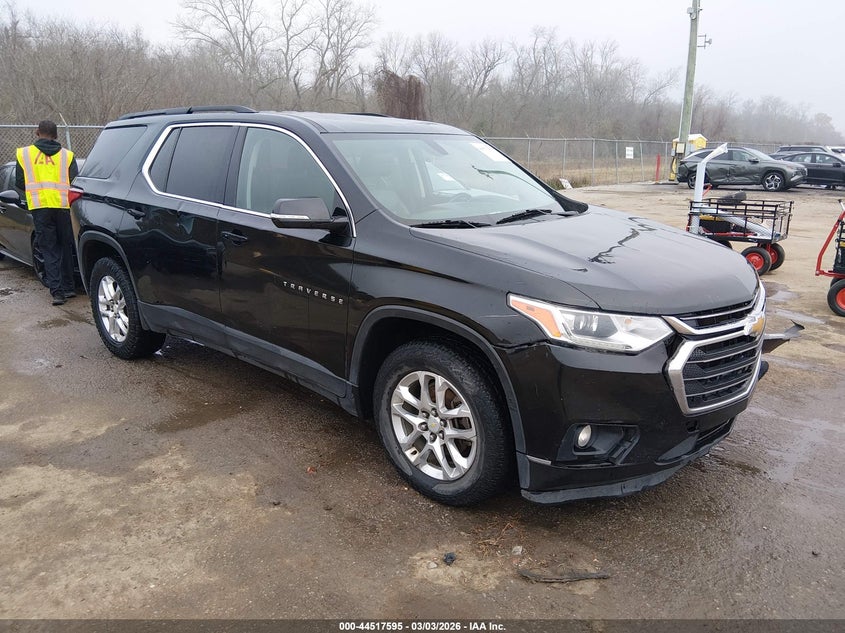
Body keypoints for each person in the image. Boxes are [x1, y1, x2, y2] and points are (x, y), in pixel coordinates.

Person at [15, 120, 79, 306]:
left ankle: (58, 293)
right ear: (57, 135)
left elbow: (20, 182)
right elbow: (74, 179)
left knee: (49, 250)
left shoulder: (24, 154)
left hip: (40, 206)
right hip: (63, 206)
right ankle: (69, 287)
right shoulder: (67, 155)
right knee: (65, 246)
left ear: (37, 132)